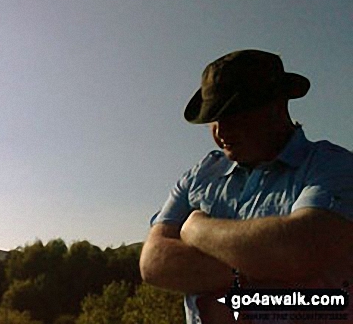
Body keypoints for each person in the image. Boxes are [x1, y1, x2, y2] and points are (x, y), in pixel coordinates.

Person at [139, 49, 353, 324]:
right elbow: (154, 263)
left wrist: (195, 228)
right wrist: (263, 267)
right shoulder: (200, 175)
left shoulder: (333, 166)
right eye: (214, 119)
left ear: (278, 106)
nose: (221, 131)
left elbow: (297, 248)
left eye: (234, 115)